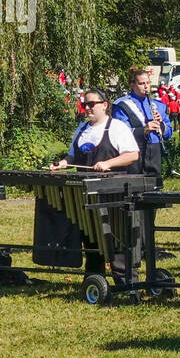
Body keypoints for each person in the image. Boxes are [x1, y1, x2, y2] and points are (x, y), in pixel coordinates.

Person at [50, 88, 141, 280]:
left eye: (92, 104)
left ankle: (125, 280)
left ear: (105, 105)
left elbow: (132, 154)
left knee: (115, 236)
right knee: (90, 235)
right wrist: (64, 163)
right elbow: (72, 155)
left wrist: (108, 163)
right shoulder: (81, 128)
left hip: (112, 192)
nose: (87, 108)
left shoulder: (117, 127)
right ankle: (93, 278)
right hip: (85, 189)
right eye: (85, 105)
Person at [113, 66, 172, 186]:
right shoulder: (122, 105)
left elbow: (169, 132)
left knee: (154, 188)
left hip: (154, 151)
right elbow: (120, 133)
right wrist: (144, 130)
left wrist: (161, 125)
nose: (146, 87)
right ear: (132, 85)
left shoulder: (158, 105)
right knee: (135, 189)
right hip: (134, 152)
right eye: (141, 83)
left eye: (148, 83)